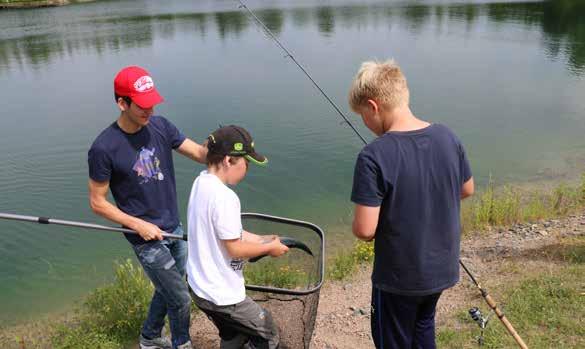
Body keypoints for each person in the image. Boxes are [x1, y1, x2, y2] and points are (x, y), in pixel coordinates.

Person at [348, 59, 474, 349]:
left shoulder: (373, 156)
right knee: (423, 326)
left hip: (399, 277)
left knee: (393, 339)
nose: (365, 124)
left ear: (373, 106)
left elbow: (365, 229)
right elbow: (467, 189)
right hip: (441, 269)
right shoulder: (447, 136)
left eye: (362, 116)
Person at [88, 66, 207, 349]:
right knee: (179, 297)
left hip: (173, 226)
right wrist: (137, 224)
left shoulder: (161, 126)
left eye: (152, 102)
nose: (149, 110)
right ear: (122, 103)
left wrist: (226, 145)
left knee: (169, 288)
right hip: (144, 238)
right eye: (142, 105)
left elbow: (200, 154)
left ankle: (150, 338)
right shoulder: (104, 148)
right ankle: (182, 343)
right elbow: (97, 202)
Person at [186, 125, 288, 349]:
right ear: (228, 160)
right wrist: (269, 249)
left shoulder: (201, 182)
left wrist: (261, 239)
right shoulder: (226, 197)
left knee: (232, 334)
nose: (248, 168)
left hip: (199, 288)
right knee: (268, 331)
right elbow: (235, 249)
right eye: (246, 162)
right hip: (222, 296)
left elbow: (227, 233)